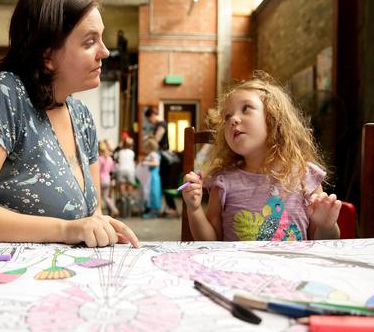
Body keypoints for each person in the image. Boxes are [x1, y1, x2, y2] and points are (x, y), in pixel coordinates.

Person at [0, 0, 139, 248]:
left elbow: (92, 213)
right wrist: (66, 230)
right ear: (47, 55)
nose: (105, 52)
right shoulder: (3, 94)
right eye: (90, 42)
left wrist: (100, 226)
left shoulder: (81, 115)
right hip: (2, 274)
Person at [182, 72, 341, 241]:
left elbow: (324, 242)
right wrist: (194, 209)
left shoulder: (305, 175)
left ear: (274, 118)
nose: (233, 119)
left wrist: (327, 225)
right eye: (227, 116)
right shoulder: (223, 181)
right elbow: (210, 243)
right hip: (237, 267)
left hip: (293, 266)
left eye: (246, 108)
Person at [143, 107, 178, 217]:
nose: (150, 122)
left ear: (152, 115)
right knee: (163, 184)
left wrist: (148, 137)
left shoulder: (161, 124)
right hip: (163, 157)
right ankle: (167, 207)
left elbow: (157, 139)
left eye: (149, 120)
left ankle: (172, 208)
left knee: (166, 184)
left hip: (165, 159)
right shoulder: (160, 124)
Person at [139, 138, 162, 218]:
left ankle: (153, 212)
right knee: (150, 194)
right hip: (151, 176)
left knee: (153, 193)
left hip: (152, 176)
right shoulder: (152, 154)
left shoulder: (153, 154)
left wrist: (145, 162)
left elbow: (156, 163)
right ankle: (151, 211)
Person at [98, 140, 119, 217]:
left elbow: (98, 171)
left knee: (100, 197)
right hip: (108, 179)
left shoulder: (99, 159)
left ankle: (113, 209)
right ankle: (112, 209)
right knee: (107, 196)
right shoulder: (110, 159)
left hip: (101, 179)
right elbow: (112, 170)